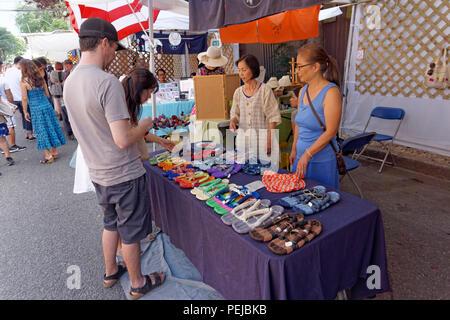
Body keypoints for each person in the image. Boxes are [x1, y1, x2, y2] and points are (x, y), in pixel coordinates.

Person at [63, 17, 165, 299]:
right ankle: (137, 282)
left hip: (98, 173)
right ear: (104, 42)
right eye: (113, 49)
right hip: (123, 174)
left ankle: (110, 272)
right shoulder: (106, 83)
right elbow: (123, 139)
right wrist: (143, 127)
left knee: (110, 224)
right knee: (131, 233)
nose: (112, 56)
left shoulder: (70, 81)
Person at [289, 43, 342, 188]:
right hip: (301, 158)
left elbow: (331, 131)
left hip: (321, 160)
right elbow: (299, 123)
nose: (297, 71)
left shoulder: (331, 93)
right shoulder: (302, 91)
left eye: (300, 66)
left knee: (320, 201)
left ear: (315, 67)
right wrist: (294, 148)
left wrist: (308, 154)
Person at [229, 54, 281, 161]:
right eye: (239, 70)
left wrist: (269, 141)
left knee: (265, 173)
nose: (241, 74)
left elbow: (273, 117)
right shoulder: (238, 92)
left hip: (263, 140)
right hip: (244, 142)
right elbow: (235, 113)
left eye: (244, 70)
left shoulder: (265, 90)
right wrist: (233, 121)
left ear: (253, 69)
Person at [121, 68, 175, 158]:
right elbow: (125, 138)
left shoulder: (130, 106)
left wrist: (161, 140)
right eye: (149, 92)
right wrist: (142, 126)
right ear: (139, 89)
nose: (150, 96)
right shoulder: (121, 108)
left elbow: (140, 133)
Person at [20, 59, 66, 163]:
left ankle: (48, 155)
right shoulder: (40, 78)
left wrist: (25, 111)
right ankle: (54, 152)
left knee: (41, 131)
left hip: (36, 108)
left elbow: (24, 98)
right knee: (52, 126)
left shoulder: (24, 81)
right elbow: (47, 94)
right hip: (46, 105)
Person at [5, 56, 34, 140]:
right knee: (27, 115)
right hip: (21, 97)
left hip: (12, 98)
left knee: (23, 116)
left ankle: (27, 133)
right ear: (19, 62)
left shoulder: (8, 71)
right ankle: (30, 134)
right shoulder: (19, 72)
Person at [0, 60, 25, 153]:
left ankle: (4, 147)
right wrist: (12, 106)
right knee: (10, 125)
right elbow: (8, 94)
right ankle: (12, 145)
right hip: (4, 105)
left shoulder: (5, 76)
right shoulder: (3, 79)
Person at [49, 62, 74, 140]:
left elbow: (51, 81)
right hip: (62, 88)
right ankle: (63, 113)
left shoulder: (52, 73)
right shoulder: (64, 73)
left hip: (55, 88)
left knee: (57, 103)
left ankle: (59, 114)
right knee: (64, 102)